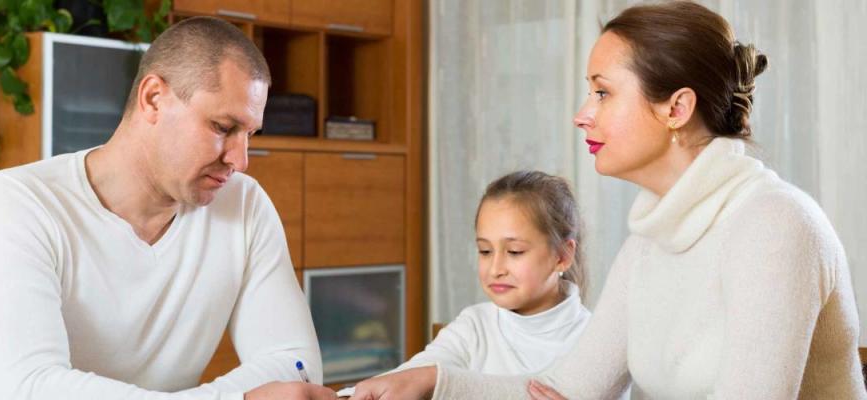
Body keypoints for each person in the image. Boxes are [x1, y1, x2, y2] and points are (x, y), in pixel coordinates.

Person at [348, 2, 866, 399]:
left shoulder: (775, 225)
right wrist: (432, 380)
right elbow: (562, 389)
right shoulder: (648, 244)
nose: (582, 114)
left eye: (602, 92)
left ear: (676, 108)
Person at [0, 17, 335, 400]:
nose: (241, 159)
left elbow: (296, 366)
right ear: (153, 98)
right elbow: (26, 390)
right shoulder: (11, 205)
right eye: (222, 127)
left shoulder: (244, 205)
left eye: (250, 134)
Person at [354, 171, 591, 388]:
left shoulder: (594, 339)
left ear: (562, 255)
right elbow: (410, 377)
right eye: (485, 251)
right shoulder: (474, 326)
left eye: (515, 251)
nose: (495, 269)